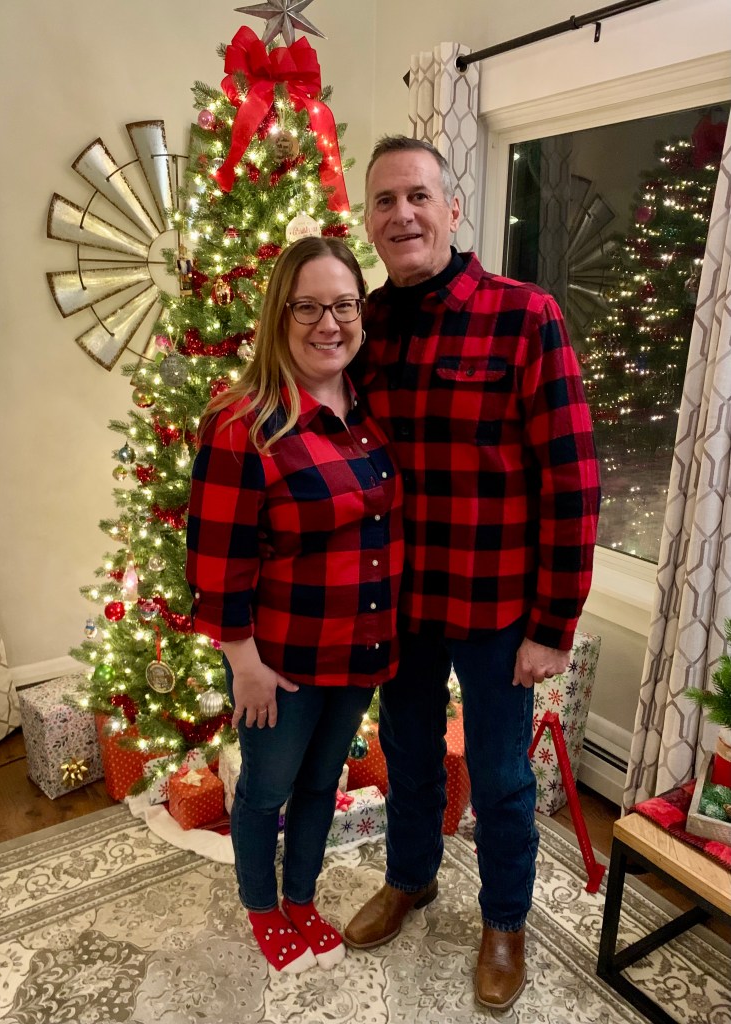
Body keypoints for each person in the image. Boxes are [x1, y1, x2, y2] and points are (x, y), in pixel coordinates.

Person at [343, 136, 601, 1011]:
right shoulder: (362, 327)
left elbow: (573, 480)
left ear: (452, 208)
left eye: (418, 195)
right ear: (369, 221)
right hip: (397, 600)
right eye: (384, 201)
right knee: (408, 755)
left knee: (499, 776)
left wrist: (553, 626)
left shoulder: (525, 316)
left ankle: (504, 921)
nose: (402, 214)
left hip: (495, 606)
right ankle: (411, 877)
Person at [186, 237, 403, 975]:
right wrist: (244, 665)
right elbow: (216, 561)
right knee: (266, 790)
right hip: (280, 662)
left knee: (320, 783)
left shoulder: (369, 409)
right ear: (279, 315)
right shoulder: (242, 423)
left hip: (361, 647)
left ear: (361, 314)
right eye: (307, 307)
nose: (328, 323)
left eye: (343, 305)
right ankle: (260, 903)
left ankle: (301, 897)